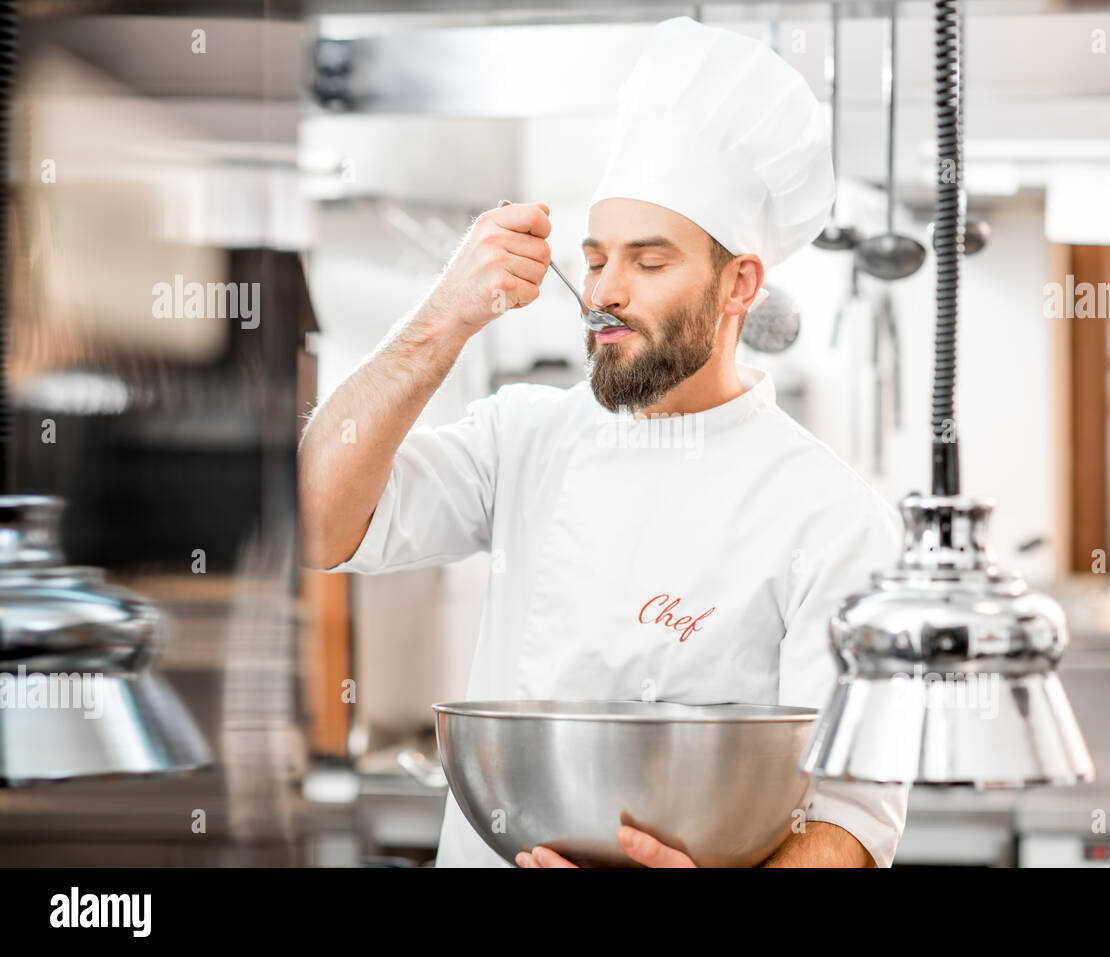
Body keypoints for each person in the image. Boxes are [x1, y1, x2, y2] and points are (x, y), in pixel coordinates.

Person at [299, 16, 908, 868]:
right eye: (594, 258)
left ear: (740, 284)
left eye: (649, 263)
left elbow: (849, 817)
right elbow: (316, 519)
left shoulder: (835, 519)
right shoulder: (523, 440)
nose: (606, 292)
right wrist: (443, 317)